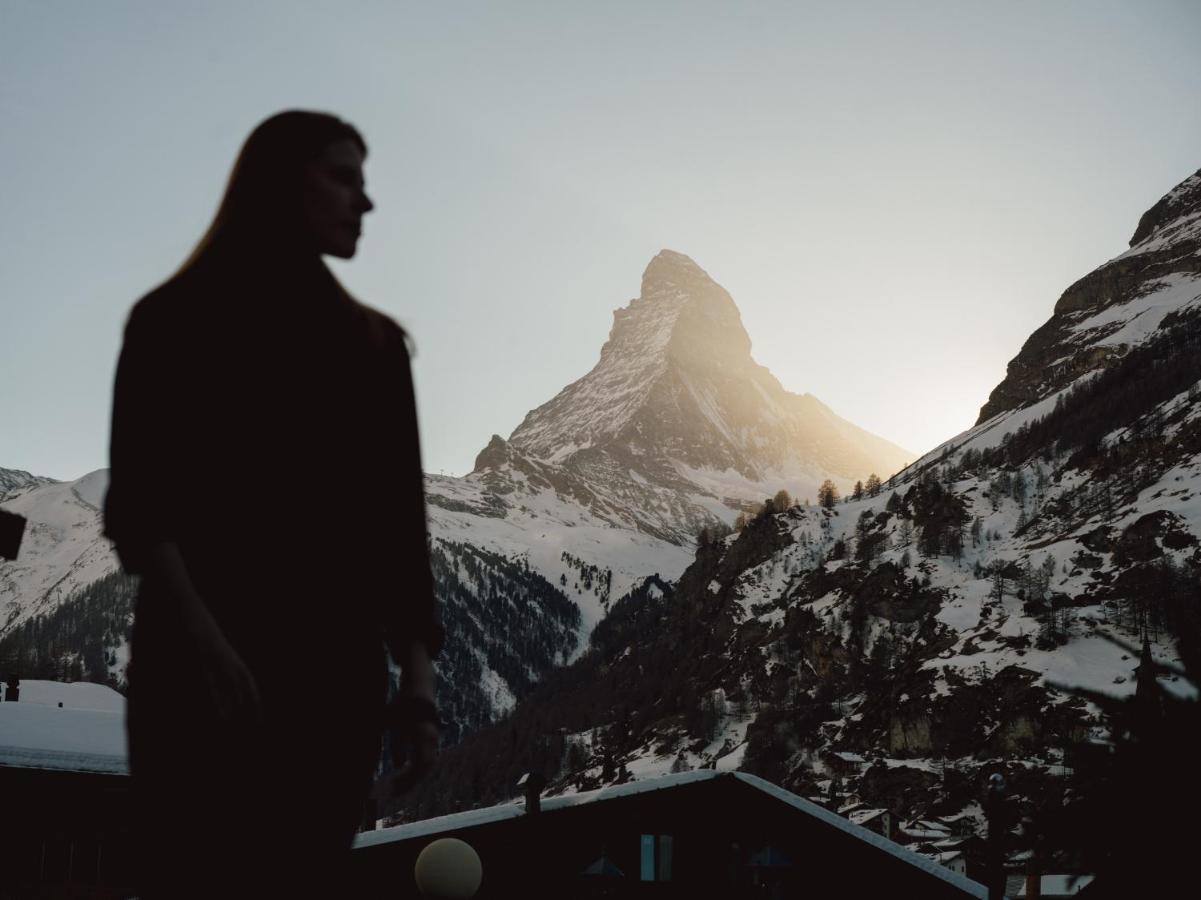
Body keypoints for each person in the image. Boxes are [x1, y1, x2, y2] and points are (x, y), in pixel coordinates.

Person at [103, 110, 442, 897]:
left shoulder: (375, 347)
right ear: (277, 181)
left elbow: (399, 530)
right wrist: (206, 644)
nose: (366, 203)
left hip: (328, 687)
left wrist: (418, 689)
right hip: (198, 679)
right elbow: (142, 505)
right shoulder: (171, 322)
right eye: (342, 176)